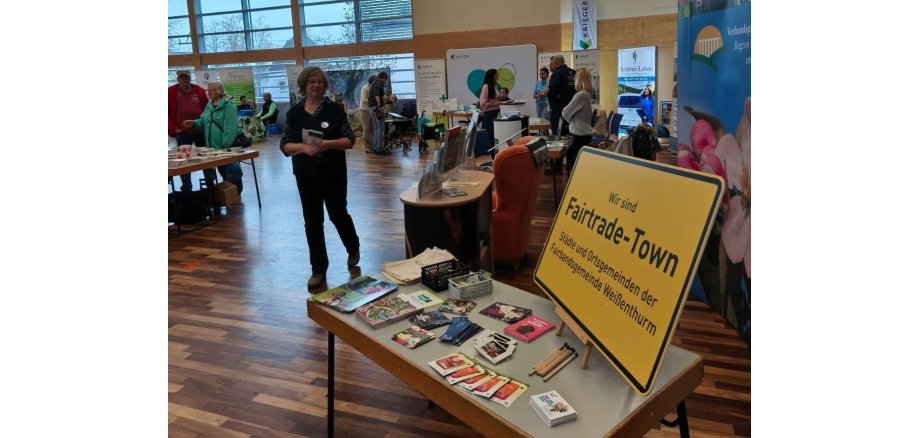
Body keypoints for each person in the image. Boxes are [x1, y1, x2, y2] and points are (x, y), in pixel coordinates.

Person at [280, 66, 361, 289]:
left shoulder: (335, 110)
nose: (316, 85)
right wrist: (304, 148)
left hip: (333, 173)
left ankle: (353, 246)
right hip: (305, 175)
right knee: (312, 222)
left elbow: (349, 140)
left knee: (338, 214)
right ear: (304, 85)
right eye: (311, 82)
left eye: (319, 82)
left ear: (324, 85)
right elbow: (284, 145)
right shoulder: (294, 113)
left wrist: (325, 144)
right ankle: (318, 268)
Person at [182, 81, 245, 195]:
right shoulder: (210, 104)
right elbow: (204, 120)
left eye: (212, 90)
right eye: (208, 90)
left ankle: (236, 194)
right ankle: (229, 195)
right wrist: (194, 123)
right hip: (214, 148)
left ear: (220, 91)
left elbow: (231, 128)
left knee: (232, 173)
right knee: (223, 172)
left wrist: (225, 145)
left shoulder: (228, 105)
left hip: (225, 147)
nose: (208, 93)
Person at [168, 69, 207, 191]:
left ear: (190, 78)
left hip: (200, 130)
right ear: (178, 79)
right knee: (184, 160)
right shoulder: (170, 92)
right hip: (182, 133)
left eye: (186, 77)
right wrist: (175, 129)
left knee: (207, 157)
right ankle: (186, 186)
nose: (184, 79)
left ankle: (210, 182)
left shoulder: (199, 91)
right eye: (182, 77)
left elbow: (207, 110)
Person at [561, 68, 594, 174]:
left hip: (580, 135)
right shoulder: (587, 95)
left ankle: (575, 188)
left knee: (576, 167)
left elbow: (565, 113)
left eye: (575, 77)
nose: (574, 79)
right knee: (578, 164)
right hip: (584, 134)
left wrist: (571, 119)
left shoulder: (580, 95)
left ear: (579, 79)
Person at [547, 54, 576, 136]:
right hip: (573, 109)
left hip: (560, 110)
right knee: (571, 134)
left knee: (559, 135)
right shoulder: (573, 72)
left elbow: (552, 91)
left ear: (555, 63)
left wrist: (553, 107)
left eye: (552, 63)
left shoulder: (557, 73)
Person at [478, 68, 501, 157]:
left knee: (496, 134)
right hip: (489, 113)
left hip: (496, 112)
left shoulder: (494, 86)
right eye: (496, 74)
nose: (497, 76)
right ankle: (493, 156)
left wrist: (499, 98)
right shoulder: (486, 86)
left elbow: (493, 100)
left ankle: (496, 155)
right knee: (492, 135)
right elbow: (482, 103)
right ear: (492, 76)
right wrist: (495, 101)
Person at [368, 71, 389, 155]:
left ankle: (376, 147)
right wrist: (380, 105)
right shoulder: (379, 82)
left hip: (371, 108)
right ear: (383, 77)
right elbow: (377, 94)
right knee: (380, 128)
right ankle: (379, 149)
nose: (385, 81)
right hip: (376, 108)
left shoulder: (374, 82)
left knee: (377, 128)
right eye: (386, 79)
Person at [358, 76, 375, 152]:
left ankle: (372, 146)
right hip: (364, 110)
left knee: (372, 128)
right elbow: (363, 100)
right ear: (369, 83)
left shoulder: (374, 88)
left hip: (371, 110)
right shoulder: (365, 88)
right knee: (366, 129)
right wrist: (373, 99)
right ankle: (367, 148)